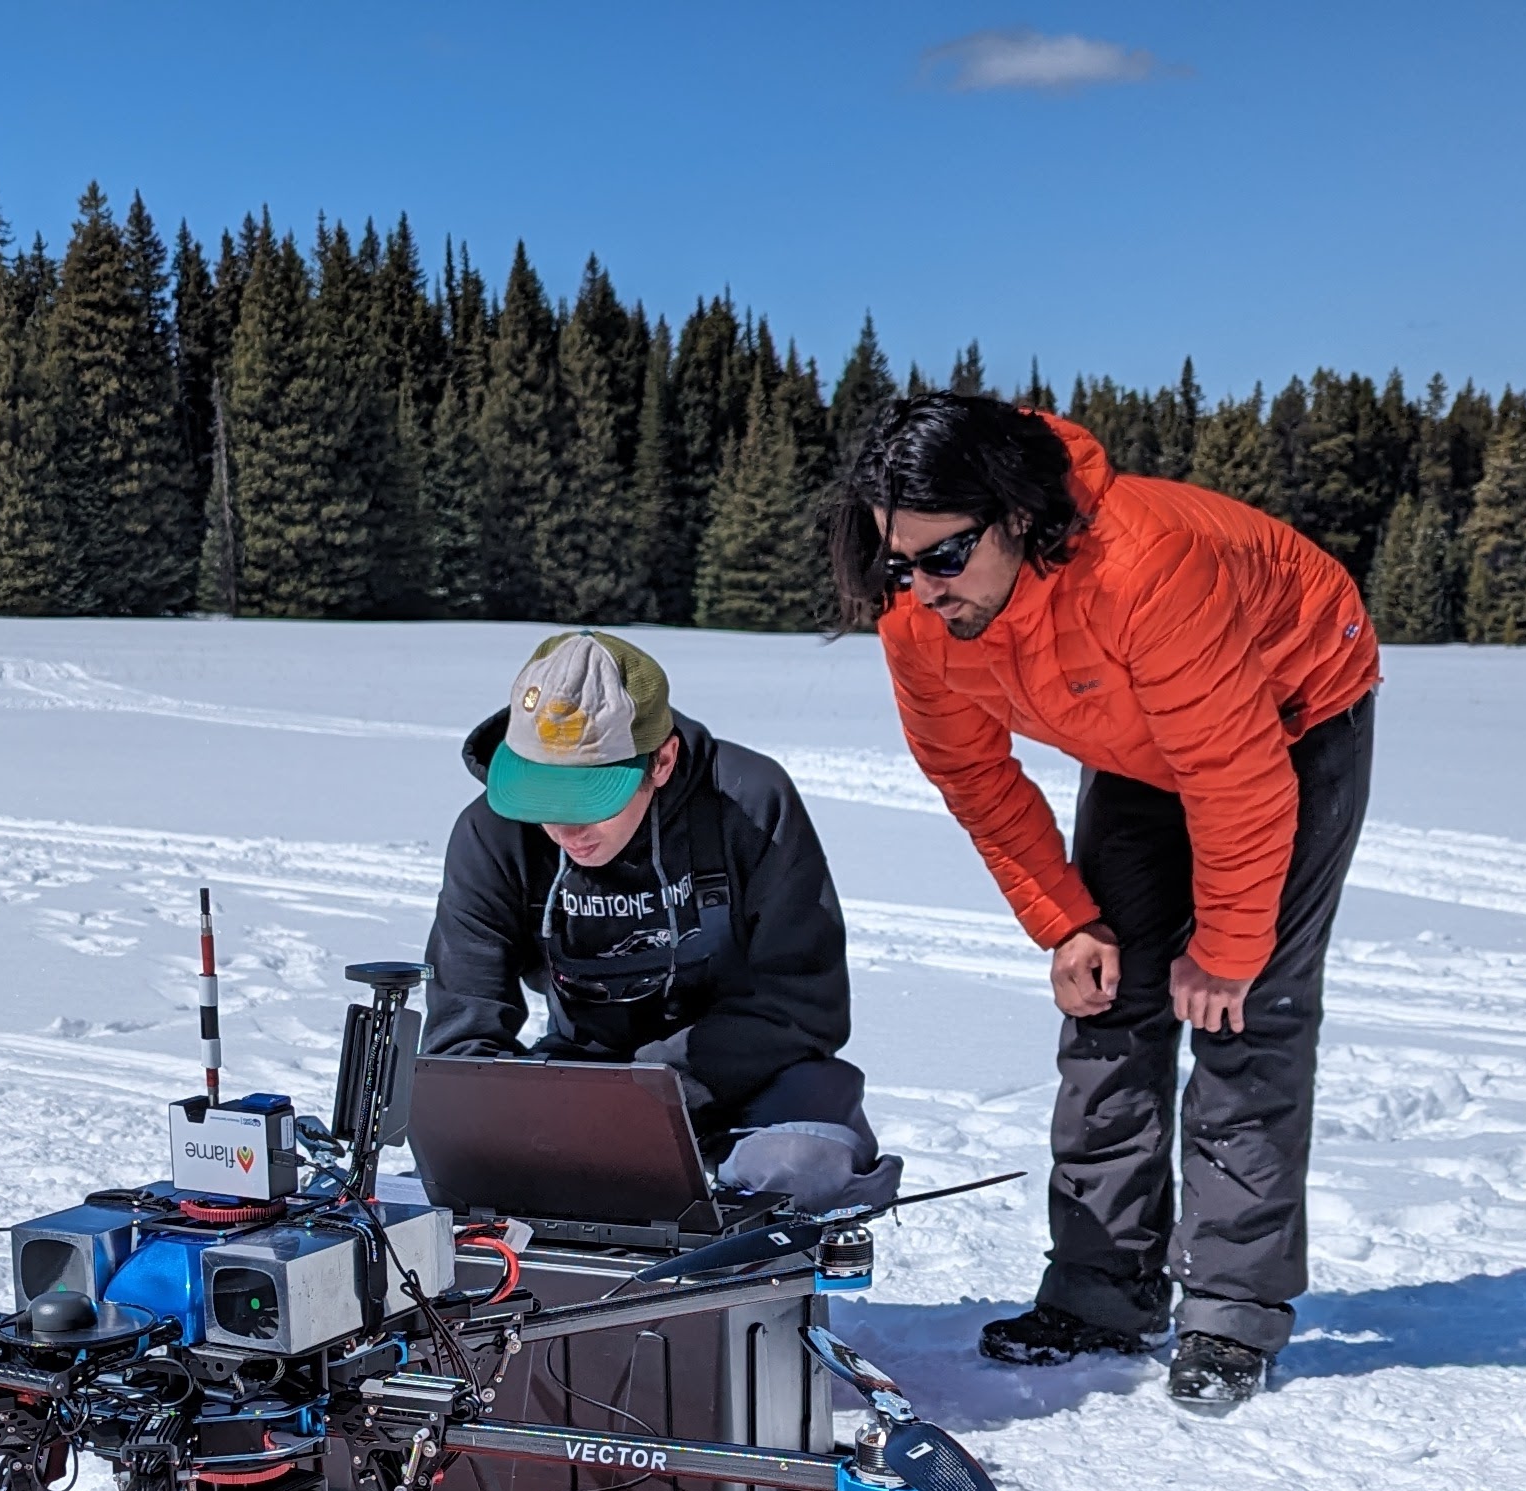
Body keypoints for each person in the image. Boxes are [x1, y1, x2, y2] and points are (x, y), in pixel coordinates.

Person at [835, 391, 1380, 1409]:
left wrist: (1226, 944)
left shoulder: (1147, 567)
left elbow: (1235, 776)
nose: (918, 588)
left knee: (1243, 1012)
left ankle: (1230, 1311)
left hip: (1294, 711)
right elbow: (976, 778)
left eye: (944, 558)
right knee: (1103, 995)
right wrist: (1066, 919)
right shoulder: (920, 620)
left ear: (1020, 519)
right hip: (1132, 733)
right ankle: (1101, 1291)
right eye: (894, 562)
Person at [423, 630, 898, 1212]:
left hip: (750, 1078)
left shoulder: (750, 803)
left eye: (590, 798)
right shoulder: (493, 832)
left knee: (807, 1167)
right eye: (542, 798)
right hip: (585, 1086)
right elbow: (462, 1033)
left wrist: (652, 1092)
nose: (565, 829)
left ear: (662, 761)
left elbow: (806, 1005)